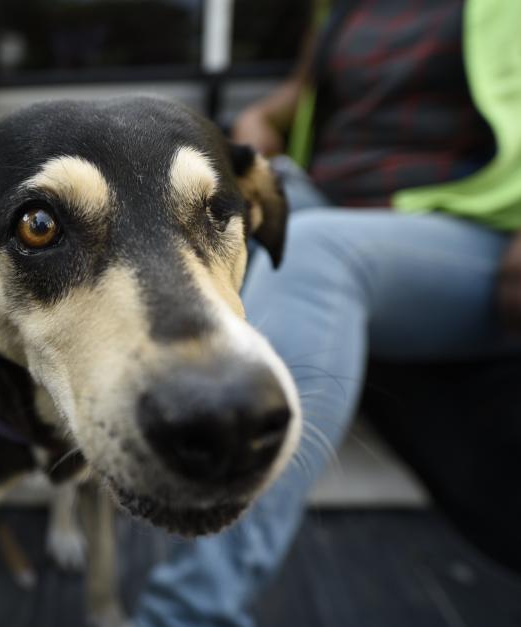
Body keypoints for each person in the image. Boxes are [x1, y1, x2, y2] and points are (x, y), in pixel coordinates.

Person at [131, 0, 521, 624]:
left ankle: (188, 611)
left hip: (459, 224)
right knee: (214, 211)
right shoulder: (343, 8)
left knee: (314, 252)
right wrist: (260, 117)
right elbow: (298, 92)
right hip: (325, 196)